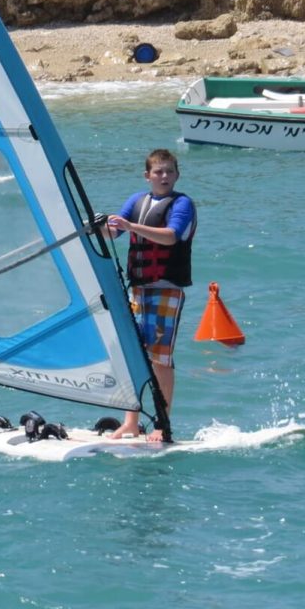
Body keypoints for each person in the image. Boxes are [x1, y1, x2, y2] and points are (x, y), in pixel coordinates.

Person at [105, 148, 196, 442]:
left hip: (166, 289)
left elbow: (170, 236)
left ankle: (161, 424)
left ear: (177, 175)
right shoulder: (136, 201)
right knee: (133, 354)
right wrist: (95, 228)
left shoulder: (182, 204)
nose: (164, 176)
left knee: (160, 359)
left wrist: (131, 226)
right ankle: (131, 422)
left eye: (170, 171)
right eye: (159, 171)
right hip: (138, 290)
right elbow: (113, 232)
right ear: (148, 176)